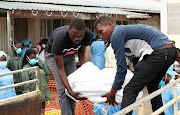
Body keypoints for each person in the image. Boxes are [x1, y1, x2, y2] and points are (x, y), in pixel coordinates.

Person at [94, 16, 179, 115]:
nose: (100, 36)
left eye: (101, 31)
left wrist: (113, 91)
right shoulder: (125, 35)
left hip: (160, 52)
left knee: (129, 91)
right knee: (152, 87)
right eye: (98, 34)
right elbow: (137, 63)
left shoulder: (116, 34)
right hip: (170, 52)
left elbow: (122, 68)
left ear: (110, 24)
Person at [45, 18, 92, 115]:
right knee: (63, 89)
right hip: (53, 57)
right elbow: (60, 69)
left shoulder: (87, 34)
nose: (76, 39)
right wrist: (69, 91)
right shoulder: (60, 37)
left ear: (83, 32)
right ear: (69, 30)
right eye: (73, 35)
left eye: (79, 36)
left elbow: (81, 54)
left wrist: (84, 73)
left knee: (73, 85)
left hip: (70, 56)